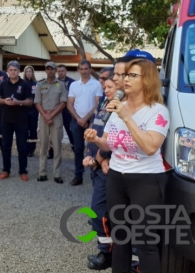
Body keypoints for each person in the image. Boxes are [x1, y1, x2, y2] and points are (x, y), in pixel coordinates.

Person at [85, 58, 170, 273]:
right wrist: (95, 139)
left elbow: (151, 147)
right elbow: (110, 143)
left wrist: (127, 117)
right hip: (117, 178)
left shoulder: (158, 111)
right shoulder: (117, 108)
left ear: (148, 80)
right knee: (120, 239)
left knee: (145, 243)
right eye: (126, 75)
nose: (126, 79)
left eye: (133, 76)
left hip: (146, 181)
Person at [84, 72, 116, 270]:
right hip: (96, 165)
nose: (106, 89)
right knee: (100, 213)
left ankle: (108, 255)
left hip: (108, 166)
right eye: (104, 86)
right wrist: (90, 153)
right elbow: (95, 129)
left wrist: (101, 158)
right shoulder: (104, 103)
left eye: (110, 86)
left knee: (101, 213)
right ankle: (105, 251)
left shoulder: (121, 108)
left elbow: (115, 139)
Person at [0, 61, 34, 181]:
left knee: (22, 147)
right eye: (11, 70)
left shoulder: (24, 84)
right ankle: (6, 170)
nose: (13, 72)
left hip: (21, 120)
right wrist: (4, 101)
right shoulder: (3, 84)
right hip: (6, 120)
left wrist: (19, 103)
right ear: (7, 71)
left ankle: (23, 171)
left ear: (19, 71)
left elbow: (30, 101)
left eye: (15, 70)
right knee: (6, 146)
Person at [67, 60, 103, 186]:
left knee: (93, 148)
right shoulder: (73, 85)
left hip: (92, 121)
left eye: (86, 69)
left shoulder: (97, 84)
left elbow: (98, 104)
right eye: (81, 69)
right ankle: (78, 175)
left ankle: (95, 175)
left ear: (90, 69)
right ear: (78, 70)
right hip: (76, 121)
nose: (84, 71)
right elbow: (70, 104)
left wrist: (86, 119)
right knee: (78, 149)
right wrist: (79, 119)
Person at [34, 61, 68, 184]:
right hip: (43, 117)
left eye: (52, 69)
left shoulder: (61, 85)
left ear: (55, 70)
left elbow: (63, 102)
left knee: (57, 146)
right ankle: (42, 173)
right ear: (45, 70)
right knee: (43, 145)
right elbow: (37, 102)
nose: (50, 71)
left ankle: (57, 174)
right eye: (48, 69)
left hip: (56, 116)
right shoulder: (40, 84)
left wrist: (51, 115)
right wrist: (44, 115)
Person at [55, 65, 75, 159]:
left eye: (62, 71)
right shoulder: (53, 82)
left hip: (68, 111)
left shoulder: (72, 83)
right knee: (54, 133)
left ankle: (76, 151)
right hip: (56, 111)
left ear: (66, 71)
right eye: (59, 71)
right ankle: (52, 152)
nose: (61, 72)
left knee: (70, 131)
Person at [22, 66, 38, 157]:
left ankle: (32, 149)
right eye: (27, 71)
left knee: (33, 130)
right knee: (24, 130)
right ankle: (25, 148)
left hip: (33, 111)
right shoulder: (22, 83)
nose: (28, 73)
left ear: (32, 73)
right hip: (23, 111)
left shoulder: (36, 84)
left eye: (30, 71)